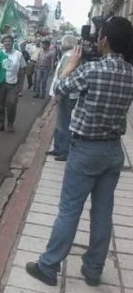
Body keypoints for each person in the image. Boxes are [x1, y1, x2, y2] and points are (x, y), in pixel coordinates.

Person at [26, 16, 133, 287]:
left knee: (70, 210)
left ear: (105, 39)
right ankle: (93, 268)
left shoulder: (93, 70)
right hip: (113, 151)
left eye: (100, 33)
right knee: (102, 212)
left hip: (86, 149)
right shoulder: (130, 72)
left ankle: (48, 266)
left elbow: (59, 90)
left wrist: (71, 65)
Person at [46, 35, 79, 162]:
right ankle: (58, 147)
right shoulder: (70, 55)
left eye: (62, 43)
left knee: (63, 123)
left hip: (64, 94)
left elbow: (64, 77)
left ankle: (64, 150)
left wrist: (58, 94)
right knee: (60, 122)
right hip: (67, 94)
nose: (60, 44)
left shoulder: (68, 56)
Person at [0, 35, 26, 133]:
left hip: (13, 84)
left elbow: (22, 69)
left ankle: (10, 123)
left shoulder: (18, 54)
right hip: (0, 83)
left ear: (13, 43)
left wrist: (21, 85)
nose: (7, 43)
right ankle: (1, 123)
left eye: (9, 41)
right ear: (3, 43)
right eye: (5, 41)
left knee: (11, 103)